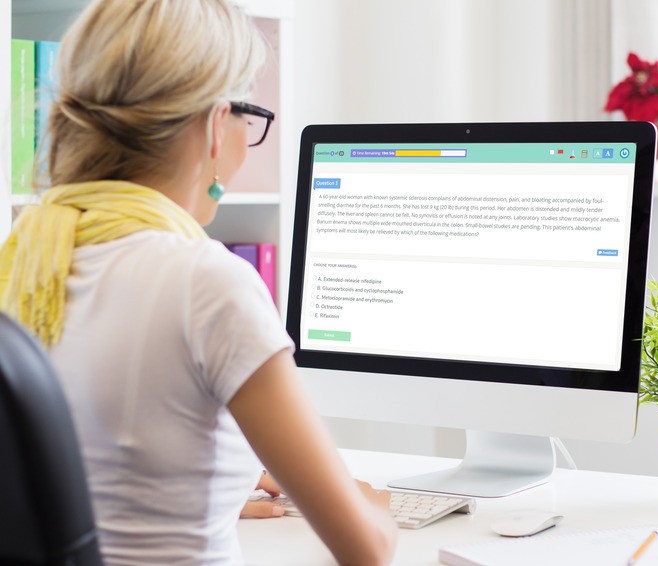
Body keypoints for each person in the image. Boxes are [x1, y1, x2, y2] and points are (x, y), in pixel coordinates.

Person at [0, 1, 397, 564]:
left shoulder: (26, 258)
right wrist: (377, 510)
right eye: (250, 115)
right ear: (215, 123)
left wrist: (209, 489)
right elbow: (367, 550)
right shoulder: (207, 283)